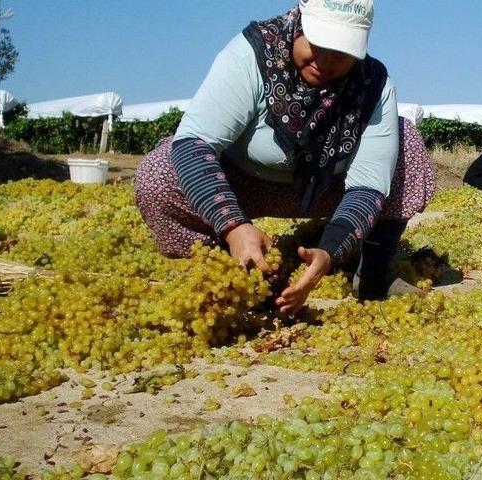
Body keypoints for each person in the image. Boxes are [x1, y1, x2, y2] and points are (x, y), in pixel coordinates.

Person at [134, 0, 435, 314]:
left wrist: (330, 251)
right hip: (240, 183)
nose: (325, 61)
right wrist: (233, 226)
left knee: (406, 144)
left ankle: (373, 277)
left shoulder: (375, 85)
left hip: (327, 189)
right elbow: (194, 144)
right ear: (299, 24)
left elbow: (368, 187)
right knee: (159, 173)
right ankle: (222, 273)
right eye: (317, 45)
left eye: (341, 53)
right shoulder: (252, 54)